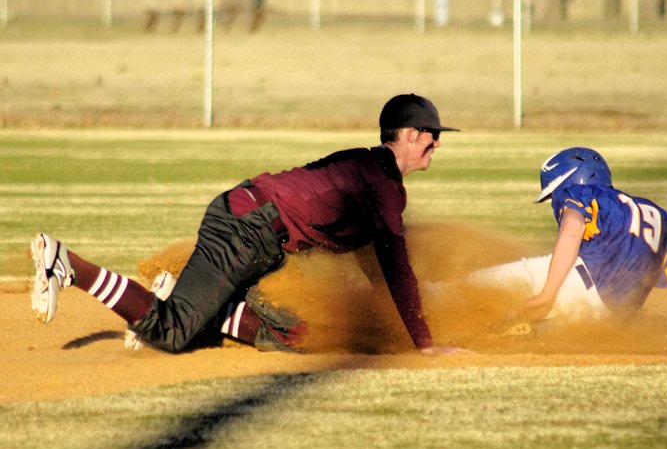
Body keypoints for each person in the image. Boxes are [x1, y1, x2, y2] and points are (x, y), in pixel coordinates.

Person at [31, 93, 464, 356]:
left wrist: (384, 318)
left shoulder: (363, 162)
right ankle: (67, 265)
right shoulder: (384, 186)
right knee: (171, 332)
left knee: (299, 331)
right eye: (431, 132)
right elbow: (396, 268)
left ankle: (180, 292)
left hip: (256, 228)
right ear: (407, 134)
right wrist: (423, 342)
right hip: (249, 228)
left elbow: (373, 262)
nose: (437, 142)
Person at [452, 147, 667, 334]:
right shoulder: (659, 218)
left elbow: (571, 230)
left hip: (575, 281)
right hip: (609, 317)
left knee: (466, 289)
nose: (554, 203)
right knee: (536, 329)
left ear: (574, 180)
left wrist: (548, 293)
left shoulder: (584, 193)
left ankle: (413, 323)